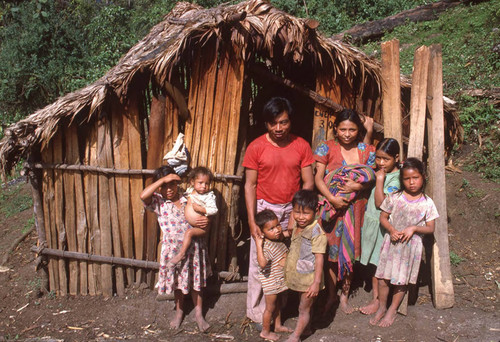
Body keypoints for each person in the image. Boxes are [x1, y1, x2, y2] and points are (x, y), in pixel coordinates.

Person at [243, 97, 315, 324]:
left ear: (290, 121)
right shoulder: (256, 147)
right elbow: (250, 185)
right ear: (266, 124)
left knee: (285, 260)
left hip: (291, 210)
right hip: (265, 210)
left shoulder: (301, 146)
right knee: (259, 261)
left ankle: (277, 312)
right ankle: (255, 312)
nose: (278, 128)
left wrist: (296, 215)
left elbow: (308, 184)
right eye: (273, 123)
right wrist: (252, 220)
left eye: (283, 122)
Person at [313, 108, 375, 315]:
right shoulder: (326, 148)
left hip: (356, 209)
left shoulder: (367, 151)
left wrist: (359, 187)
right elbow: (318, 178)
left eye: (352, 129)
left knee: (350, 251)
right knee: (332, 252)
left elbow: (371, 179)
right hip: (332, 208)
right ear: (335, 129)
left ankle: (345, 295)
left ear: (359, 130)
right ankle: (331, 294)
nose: (347, 134)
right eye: (343, 129)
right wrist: (332, 199)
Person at [140, 166, 211, 332]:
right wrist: (163, 179)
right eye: (164, 186)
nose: (169, 189)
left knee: (196, 282)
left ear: (178, 184)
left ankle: (199, 314)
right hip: (172, 251)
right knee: (178, 283)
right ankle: (179, 312)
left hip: (194, 247)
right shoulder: (158, 202)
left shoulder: (189, 197)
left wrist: (206, 221)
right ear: (159, 187)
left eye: (172, 184)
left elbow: (206, 212)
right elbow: (143, 195)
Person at [370, 158, 438, 327]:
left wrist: (414, 228)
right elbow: (383, 217)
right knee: (383, 279)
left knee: (401, 281)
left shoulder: (427, 203)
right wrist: (392, 230)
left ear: (423, 177)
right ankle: (382, 307)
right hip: (391, 244)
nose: (411, 182)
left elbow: (430, 228)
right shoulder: (395, 197)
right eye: (407, 179)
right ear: (402, 180)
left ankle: (392, 310)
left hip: (410, 248)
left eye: (415, 177)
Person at [359, 138, 401, 315]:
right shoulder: (380, 171)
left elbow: (380, 203)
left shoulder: (396, 179)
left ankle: (377, 301)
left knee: (379, 264)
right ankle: (375, 297)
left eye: (386, 159)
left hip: (383, 226)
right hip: (372, 222)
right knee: (373, 262)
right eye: (378, 158)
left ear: (396, 158)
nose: (381, 163)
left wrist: (379, 180)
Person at [284, 189, 326, 342]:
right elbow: (292, 236)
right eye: (297, 212)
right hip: (299, 275)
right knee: (302, 305)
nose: (301, 217)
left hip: (309, 279)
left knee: (304, 308)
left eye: (306, 213)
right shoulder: (297, 225)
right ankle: (306, 328)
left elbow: (319, 258)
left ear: (316, 211)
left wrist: (316, 282)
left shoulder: (317, 233)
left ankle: (295, 336)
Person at [254, 209, 292, 341]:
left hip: (279, 280)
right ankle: (265, 331)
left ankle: (277, 325)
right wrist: (259, 245)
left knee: (278, 304)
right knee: (270, 308)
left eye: (277, 226)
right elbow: (263, 263)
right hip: (272, 283)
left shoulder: (277, 239)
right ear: (263, 233)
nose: (277, 230)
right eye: (271, 229)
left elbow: (289, 232)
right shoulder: (267, 247)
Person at [168, 167, 218, 267]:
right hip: (191, 226)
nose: (204, 186)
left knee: (189, 233)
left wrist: (201, 210)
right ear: (192, 182)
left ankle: (181, 254)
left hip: (202, 227)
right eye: (200, 183)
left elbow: (214, 210)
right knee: (188, 233)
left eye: (207, 183)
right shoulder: (190, 191)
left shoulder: (209, 197)